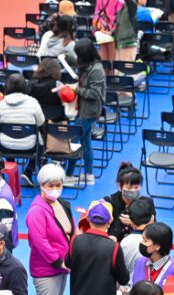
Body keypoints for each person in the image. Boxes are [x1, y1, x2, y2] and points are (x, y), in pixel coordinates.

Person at [26, 164, 73, 295]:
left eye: (58, 185)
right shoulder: (37, 211)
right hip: (46, 269)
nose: (54, 188)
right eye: (50, 185)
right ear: (41, 185)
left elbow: (70, 231)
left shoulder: (61, 204)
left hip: (64, 267)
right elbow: (40, 242)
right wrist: (57, 261)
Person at [63, 39, 105, 187]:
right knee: (86, 142)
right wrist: (66, 57)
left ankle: (69, 175)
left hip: (89, 111)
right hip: (83, 109)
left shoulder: (97, 70)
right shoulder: (87, 64)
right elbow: (76, 63)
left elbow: (94, 93)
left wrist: (77, 90)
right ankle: (89, 175)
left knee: (75, 142)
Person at [0, 73, 45, 155]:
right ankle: (32, 164)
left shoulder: (2, 103)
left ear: (7, 86)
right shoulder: (33, 102)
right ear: (25, 86)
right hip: (29, 144)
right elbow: (41, 122)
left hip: (6, 144)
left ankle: (10, 161)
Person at [132, 221, 174, 290]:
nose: (141, 243)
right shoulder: (139, 262)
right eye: (142, 239)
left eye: (145, 241)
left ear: (157, 246)